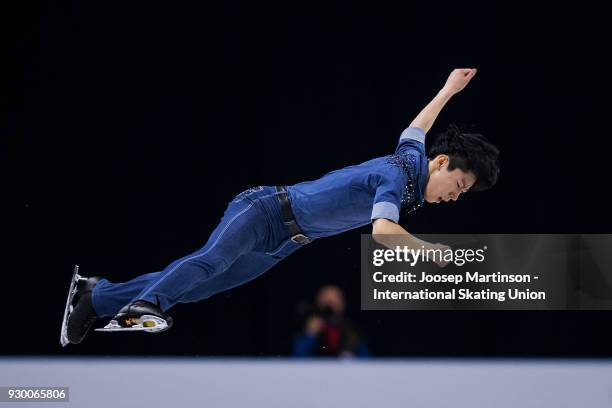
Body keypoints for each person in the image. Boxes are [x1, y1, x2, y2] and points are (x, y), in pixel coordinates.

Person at [62, 68, 499, 345]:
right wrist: (433, 251)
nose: (453, 197)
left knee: (205, 284)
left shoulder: (413, 159)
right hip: (265, 210)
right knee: (210, 262)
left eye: (461, 195)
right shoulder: (397, 177)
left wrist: (448, 89)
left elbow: (416, 127)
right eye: (457, 185)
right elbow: (384, 234)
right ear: (441, 164)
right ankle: (145, 302)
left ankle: (95, 297)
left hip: (286, 241)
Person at [293, 285, 370, 357]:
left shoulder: (353, 331)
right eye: (326, 301)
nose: (330, 306)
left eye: (334, 301)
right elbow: (296, 358)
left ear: (342, 304)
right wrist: (310, 334)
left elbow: (368, 361)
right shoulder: (308, 330)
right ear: (318, 303)